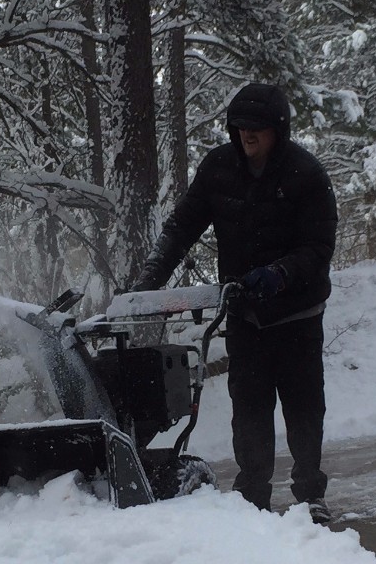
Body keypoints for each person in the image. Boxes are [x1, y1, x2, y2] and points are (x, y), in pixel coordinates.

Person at [131, 82, 338, 523]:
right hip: (245, 314)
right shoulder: (219, 169)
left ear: (278, 130)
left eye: (257, 129)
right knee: (249, 409)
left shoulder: (307, 175)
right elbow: (182, 226)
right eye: (240, 127)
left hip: (298, 315)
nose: (247, 136)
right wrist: (149, 281)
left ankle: (309, 494)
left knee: (303, 407)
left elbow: (317, 249)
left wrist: (279, 274)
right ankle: (253, 496)